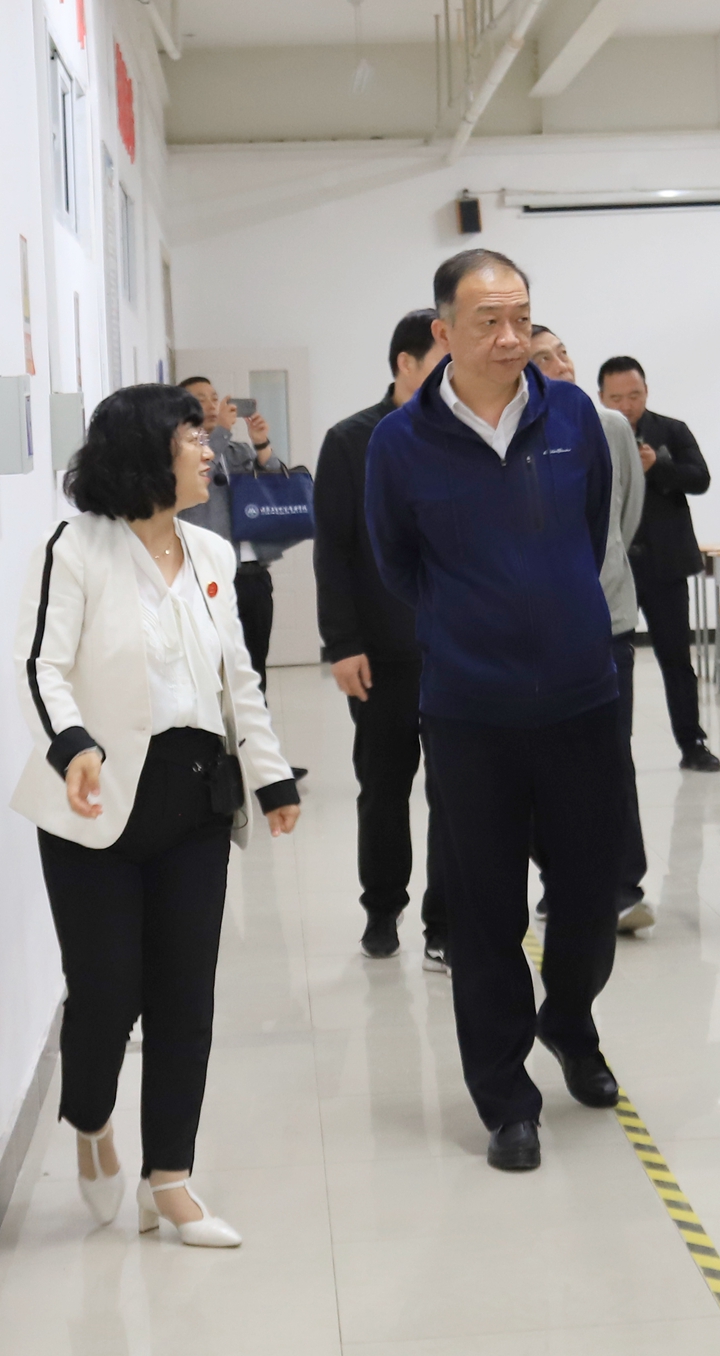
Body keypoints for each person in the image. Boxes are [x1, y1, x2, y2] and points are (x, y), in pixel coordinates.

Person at [13, 382, 304, 1245]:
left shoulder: (211, 551)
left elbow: (237, 678)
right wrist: (73, 746)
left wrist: (272, 777)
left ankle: (169, 1180)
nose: (210, 449)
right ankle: (91, 1117)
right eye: (192, 436)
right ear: (147, 451)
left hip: (195, 798)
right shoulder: (76, 548)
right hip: (96, 800)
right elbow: (41, 666)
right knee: (107, 993)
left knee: (185, 998)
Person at [365, 250, 630, 1173]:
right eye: (488, 321)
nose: (511, 337)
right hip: (470, 711)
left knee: (591, 896)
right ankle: (506, 1097)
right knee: (483, 912)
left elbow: (591, 529)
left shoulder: (573, 418)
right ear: (444, 332)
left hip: (582, 699)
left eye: (521, 317)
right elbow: (398, 563)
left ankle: (570, 1020)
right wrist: (470, 624)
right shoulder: (399, 445)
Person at [315, 309, 452, 972]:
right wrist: (341, 642)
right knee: (383, 787)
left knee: (454, 793)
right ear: (406, 363)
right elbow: (334, 549)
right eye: (443, 362)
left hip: (456, 651)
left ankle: (444, 922)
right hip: (381, 653)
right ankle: (382, 906)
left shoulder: (461, 434)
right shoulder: (352, 441)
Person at [531, 325, 654, 935]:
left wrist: (596, 575)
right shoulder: (515, 434)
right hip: (534, 628)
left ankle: (622, 887)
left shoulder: (608, 425)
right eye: (543, 358)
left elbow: (624, 513)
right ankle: (562, 882)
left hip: (605, 618)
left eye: (562, 352)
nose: (561, 363)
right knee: (544, 763)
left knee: (609, 756)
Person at [596, 357, 720, 773]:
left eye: (634, 396)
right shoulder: (592, 434)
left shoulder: (672, 430)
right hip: (614, 570)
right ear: (601, 397)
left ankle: (692, 743)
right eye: (617, 398)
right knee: (614, 662)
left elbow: (700, 478)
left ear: (646, 392)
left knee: (676, 658)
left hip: (665, 565)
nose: (627, 405)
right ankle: (616, 749)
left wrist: (659, 467)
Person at [178, 376, 281, 694]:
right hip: (206, 578)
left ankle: (254, 724)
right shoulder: (179, 455)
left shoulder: (238, 451)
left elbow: (275, 485)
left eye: (214, 397)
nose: (211, 405)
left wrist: (261, 443)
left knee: (254, 668)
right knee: (214, 669)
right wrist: (221, 430)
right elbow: (199, 472)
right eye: (200, 399)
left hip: (251, 574)